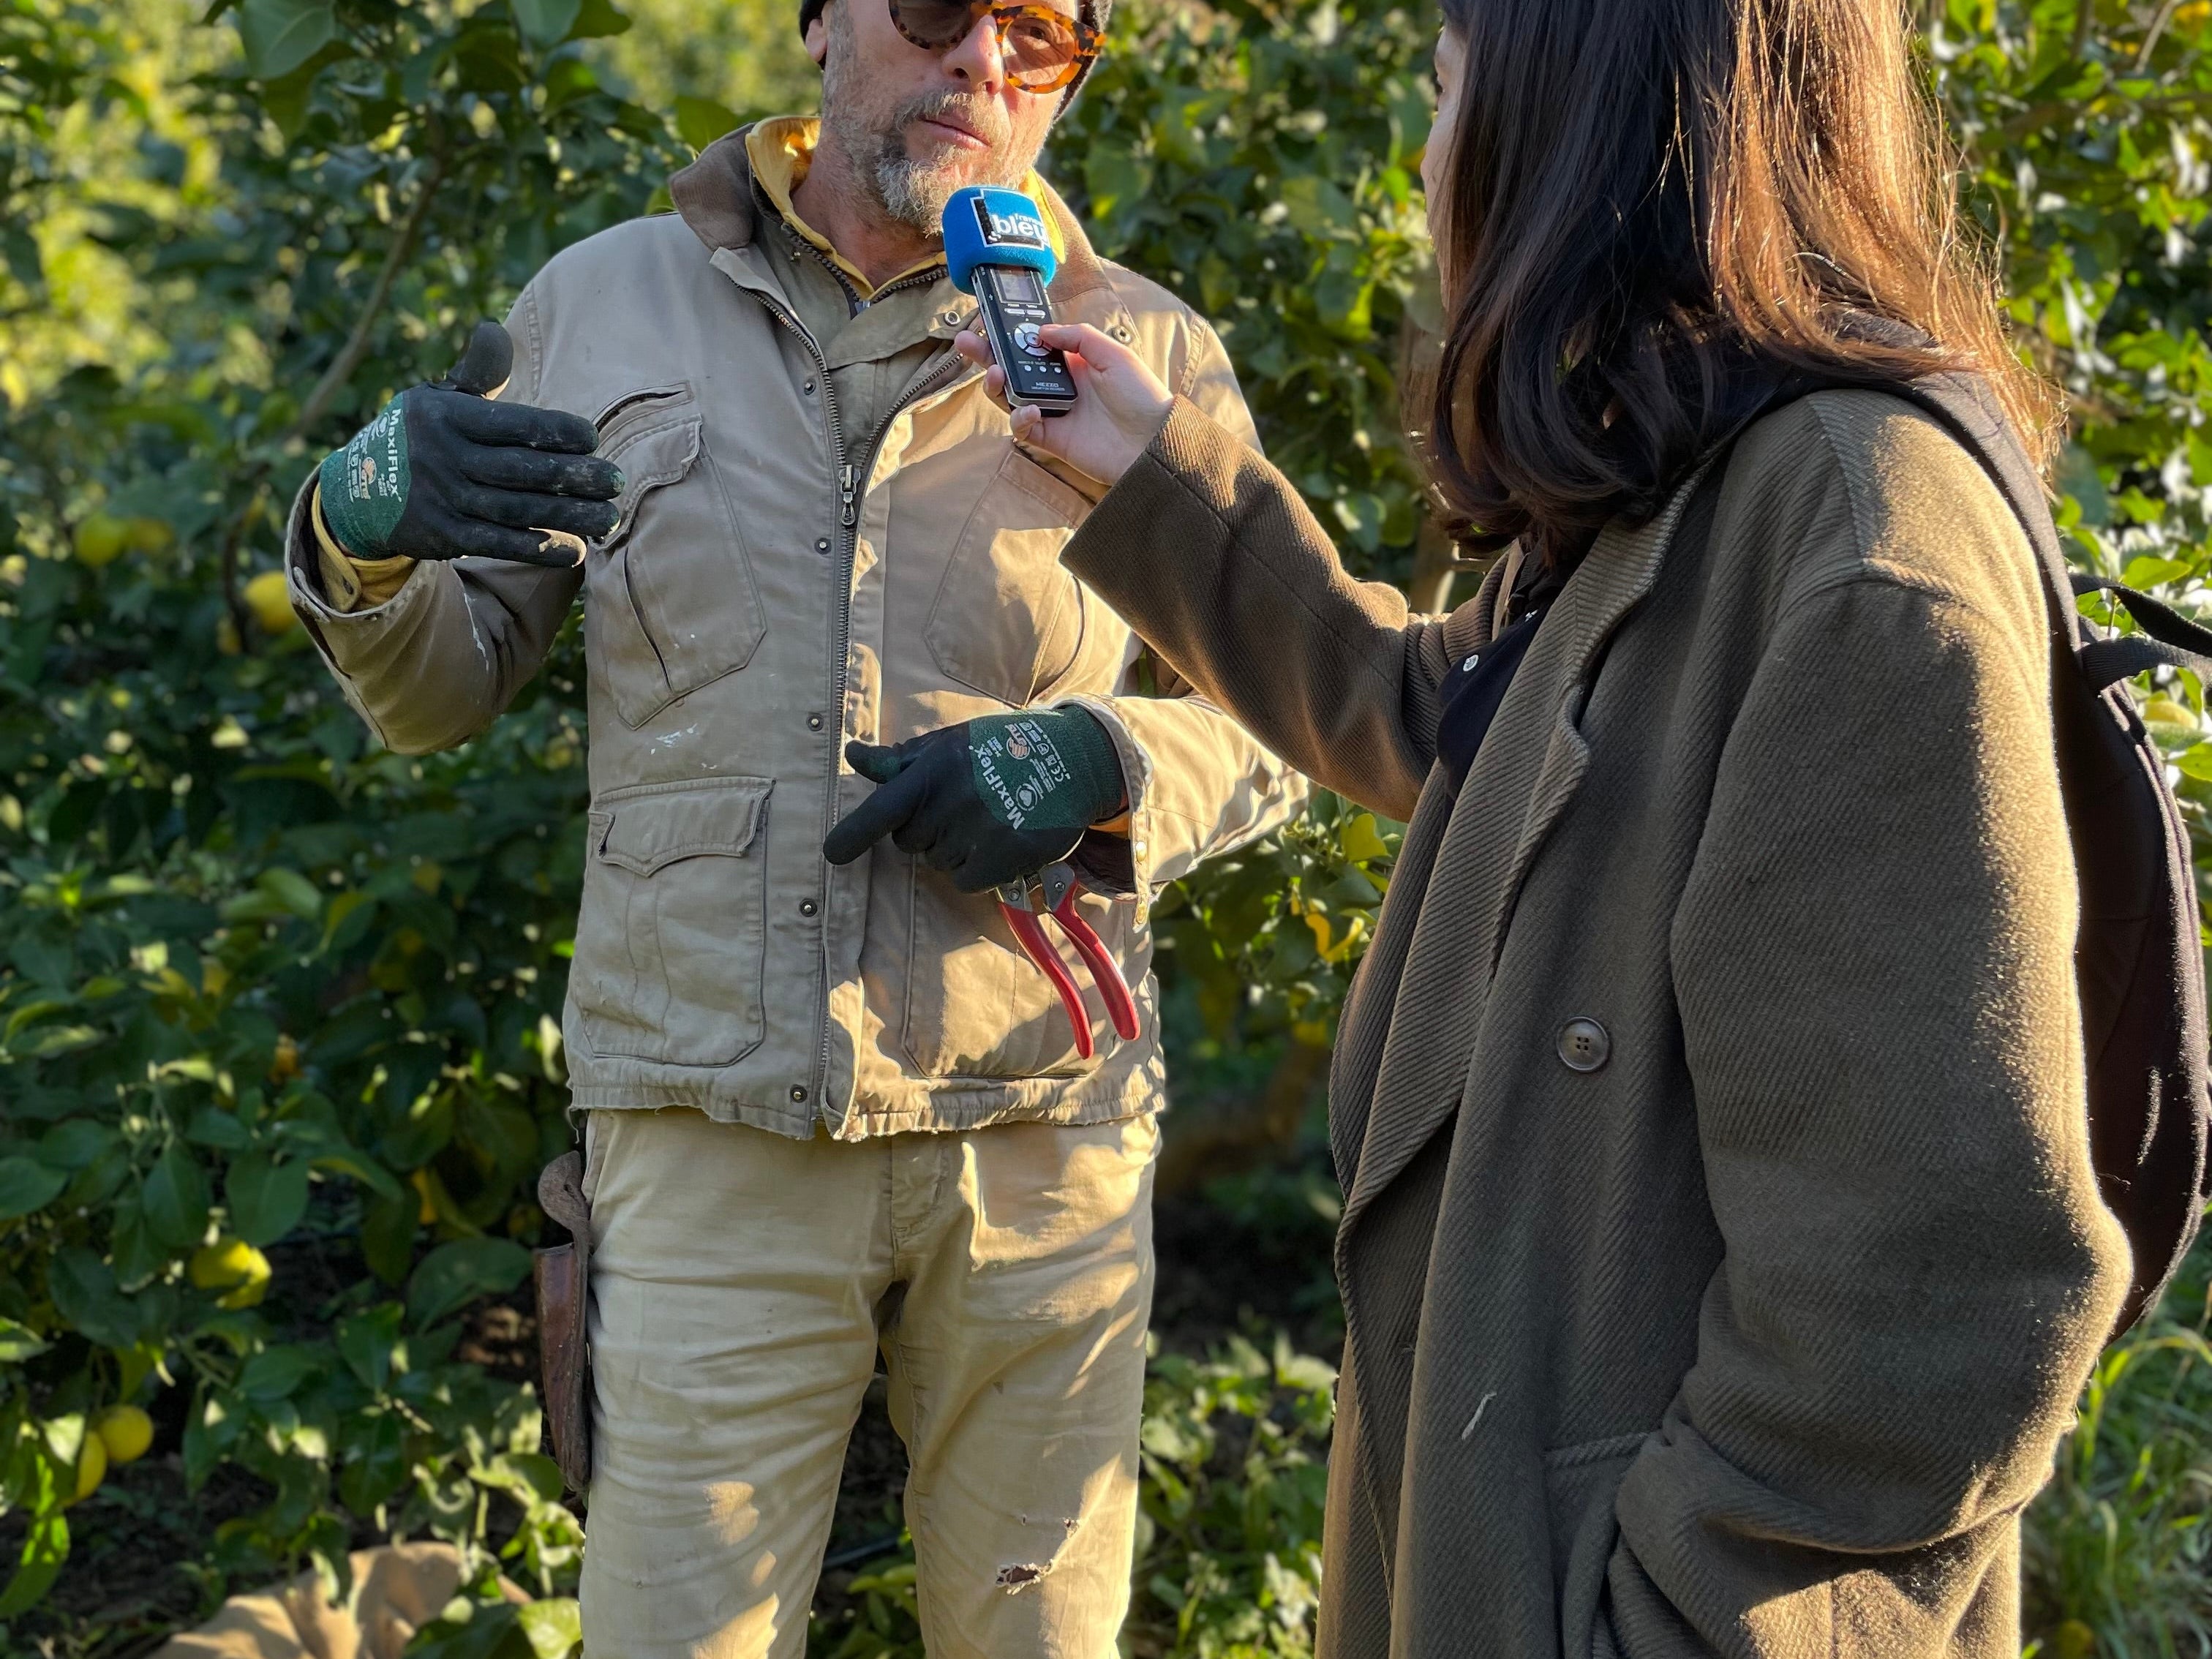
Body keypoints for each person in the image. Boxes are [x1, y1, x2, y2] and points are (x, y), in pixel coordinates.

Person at [859, 0, 2137, 1651]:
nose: (1424, 159)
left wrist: (1666, 1619)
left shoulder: (1857, 553)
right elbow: (1438, 715)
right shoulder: (1683, 492)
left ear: (1573, 139)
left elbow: (1942, 1295)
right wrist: (1157, 478)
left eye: (1448, 97)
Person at [282, 0, 1304, 1650]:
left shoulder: (1141, 352)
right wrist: (354, 528)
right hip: (705, 1126)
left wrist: (1105, 761)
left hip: (1036, 1135)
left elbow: (1290, 710)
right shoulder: (601, 306)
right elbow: (438, 689)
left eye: (1043, 37)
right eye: (936, 11)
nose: (983, 61)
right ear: (819, 22)